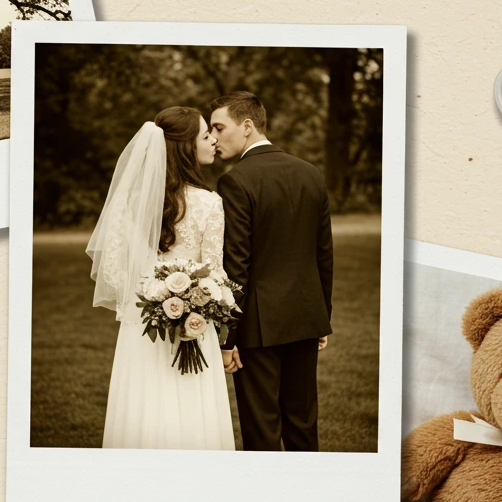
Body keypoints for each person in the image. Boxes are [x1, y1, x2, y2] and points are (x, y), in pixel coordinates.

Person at [87, 107, 236, 450]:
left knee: (144, 405)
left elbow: (114, 270)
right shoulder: (210, 204)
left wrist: (154, 294)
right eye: (204, 135)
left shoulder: (130, 203)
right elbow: (216, 274)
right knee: (191, 410)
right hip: (197, 325)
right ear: (185, 147)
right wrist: (193, 302)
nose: (213, 139)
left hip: (142, 328)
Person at [209, 91, 333, 451]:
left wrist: (227, 339)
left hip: (257, 328)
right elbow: (323, 254)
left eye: (220, 127)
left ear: (247, 126)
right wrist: (322, 316)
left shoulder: (235, 181)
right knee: (302, 423)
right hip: (306, 319)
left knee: (261, 428)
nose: (214, 137)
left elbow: (236, 265)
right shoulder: (311, 174)